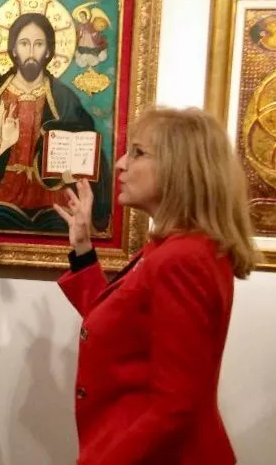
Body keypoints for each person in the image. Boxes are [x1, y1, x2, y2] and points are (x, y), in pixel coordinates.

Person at [54, 107, 258, 465]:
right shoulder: (177, 249)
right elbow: (121, 326)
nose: (121, 164)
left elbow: (175, 404)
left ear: (179, 168)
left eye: (137, 152)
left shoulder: (181, 259)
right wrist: (83, 248)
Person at [0, 12, 112, 232]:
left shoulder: (64, 99)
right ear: (14, 49)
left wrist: (73, 168)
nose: (32, 52)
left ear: (49, 51)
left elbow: (88, 148)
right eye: (24, 43)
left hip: (50, 194)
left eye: (39, 44)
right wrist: (2, 143)